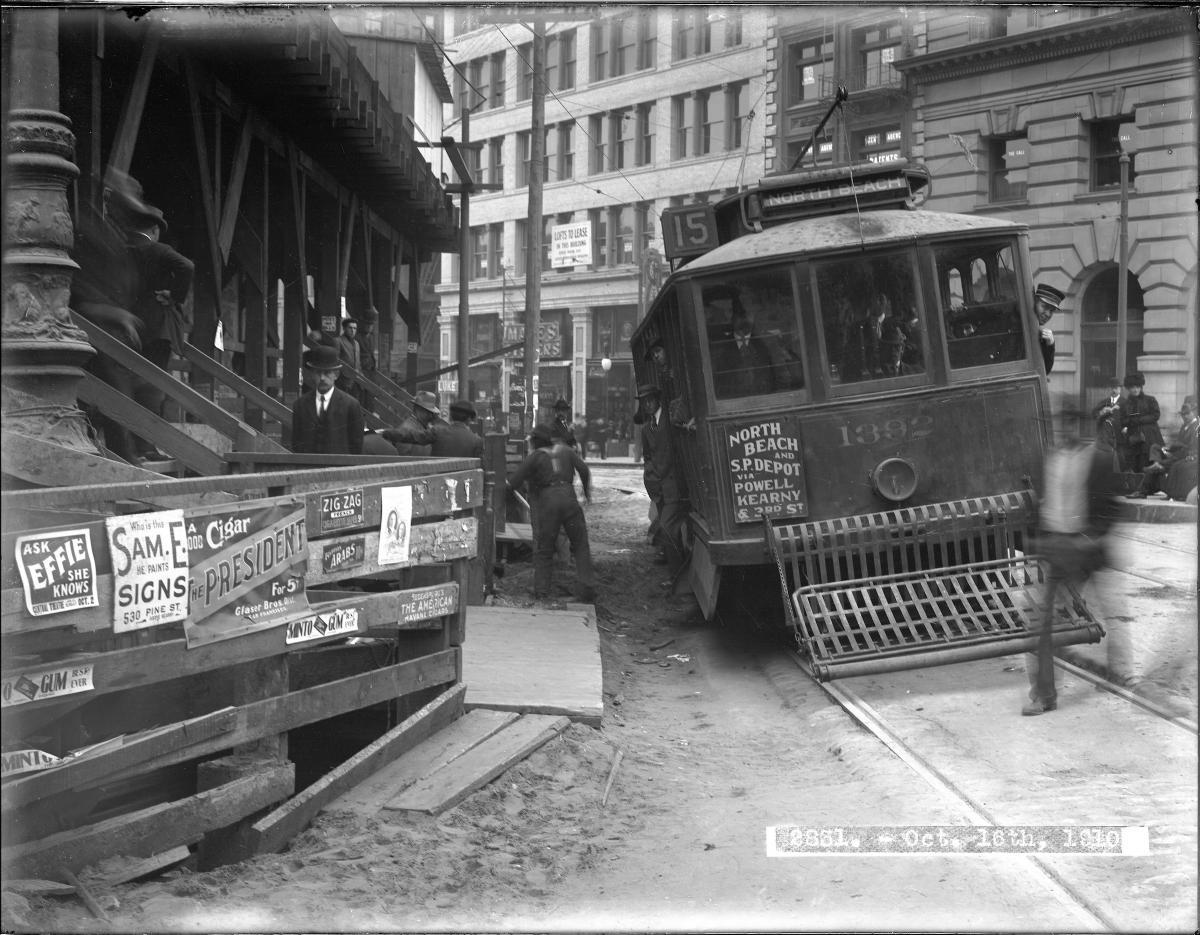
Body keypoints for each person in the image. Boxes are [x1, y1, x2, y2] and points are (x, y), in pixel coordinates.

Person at [71, 171, 194, 463]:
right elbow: (77, 291)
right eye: (127, 210)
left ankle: (129, 456)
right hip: (94, 331)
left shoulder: (116, 239)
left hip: (116, 336)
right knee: (121, 396)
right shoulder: (89, 231)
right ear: (110, 204)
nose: (129, 218)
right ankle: (127, 459)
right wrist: (114, 313)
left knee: (131, 394)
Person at [1023, 415, 1121, 715]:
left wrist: (1091, 538)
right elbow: (1043, 505)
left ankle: (1113, 673)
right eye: (1061, 424)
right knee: (1042, 622)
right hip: (1057, 550)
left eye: (1071, 423)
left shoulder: (1100, 460)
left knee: (1105, 617)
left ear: (1083, 428)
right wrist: (1040, 542)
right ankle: (1044, 693)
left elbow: (1111, 507)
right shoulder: (1048, 459)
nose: (1065, 430)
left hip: (1088, 551)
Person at [506, 423, 596, 603]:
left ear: (535, 441)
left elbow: (513, 482)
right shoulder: (566, 451)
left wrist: (505, 495)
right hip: (570, 499)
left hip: (548, 504)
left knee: (544, 549)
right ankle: (586, 590)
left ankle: (542, 592)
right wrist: (586, 494)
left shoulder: (535, 457)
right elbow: (584, 470)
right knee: (580, 545)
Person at [638, 384, 687, 575]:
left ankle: (678, 575)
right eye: (644, 402)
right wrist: (651, 476)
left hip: (674, 486)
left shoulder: (670, 420)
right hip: (659, 489)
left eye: (650, 400)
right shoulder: (646, 428)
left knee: (666, 529)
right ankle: (676, 574)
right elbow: (648, 456)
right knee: (668, 532)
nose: (648, 404)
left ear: (658, 400)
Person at [290, 345, 364, 454]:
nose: (322, 378)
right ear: (312, 374)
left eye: (327, 373)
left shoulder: (351, 405)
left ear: (336, 375)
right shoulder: (300, 405)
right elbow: (296, 443)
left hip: (339, 468)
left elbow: (356, 446)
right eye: (318, 373)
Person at [1127, 395, 1198, 501]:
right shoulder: (1184, 426)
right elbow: (1177, 443)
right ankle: (1156, 464)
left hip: (1184, 457)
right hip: (1175, 454)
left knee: (1157, 468)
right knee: (1155, 447)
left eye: (1188, 414)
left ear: (1195, 413)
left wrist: (1176, 449)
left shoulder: (1196, 427)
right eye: (1183, 414)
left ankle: (1143, 490)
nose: (1185, 417)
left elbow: (1192, 448)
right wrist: (1168, 449)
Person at [710, 301, 777, 397]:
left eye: (749, 313)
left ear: (754, 316)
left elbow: (778, 378)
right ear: (732, 318)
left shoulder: (767, 343)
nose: (744, 319)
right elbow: (715, 384)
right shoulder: (719, 347)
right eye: (740, 314)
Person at [1117, 371, 1164, 474]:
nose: (1135, 390)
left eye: (1137, 387)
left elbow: (1156, 415)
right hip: (1134, 438)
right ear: (1128, 388)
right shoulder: (1125, 404)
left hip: (1150, 437)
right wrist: (1131, 421)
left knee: (1150, 463)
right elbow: (1122, 421)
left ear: (1141, 387)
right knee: (1136, 465)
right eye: (1132, 387)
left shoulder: (1150, 400)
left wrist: (1140, 420)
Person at [382, 389, 443, 455]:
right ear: (418, 409)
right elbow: (404, 457)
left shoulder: (427, 427)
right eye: (427, 412)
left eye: (431, 412)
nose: (430, 415)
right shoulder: (406, 429)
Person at [1092, 376, 1125, 469]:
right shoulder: (1104, 402)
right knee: (1106, 464)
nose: (1114, 390)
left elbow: (1131, 417)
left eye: (1117, 387)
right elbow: (1094, 414)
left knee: (1121, 462)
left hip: (1120, 438)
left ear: (1120, 389)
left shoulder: (1125, 402)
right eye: (1113, 387)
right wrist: (1102, 412)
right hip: (1106, 439)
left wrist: (1126, 427)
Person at [1032, 283, 1062, 374]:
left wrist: (1050, 345)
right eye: (1044, 306)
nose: (1048, 314)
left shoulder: (1041, 336)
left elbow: (1045, 371)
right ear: (1034, 302)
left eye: (1052, 311)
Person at [356, 307, 379, 413]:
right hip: (361, 371)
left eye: (371, 325)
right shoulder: (356, 337)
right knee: (360, 398)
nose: (369, 327)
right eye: (367, 324)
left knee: (370, 398)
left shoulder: (372, 337)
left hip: (371, 372)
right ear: (362, 323)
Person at [336, 318, 362, 402]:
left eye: (355, 328)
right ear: (344, 328)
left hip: (355, 381)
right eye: (350, 328)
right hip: (342, 380)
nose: (352, 331)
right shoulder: (338, 341)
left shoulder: (357, 344)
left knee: (354, 405)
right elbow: (335, 360)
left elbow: (358, 361)